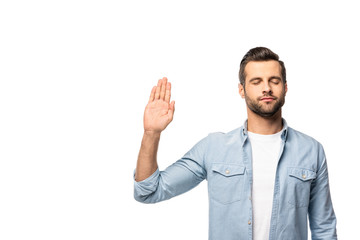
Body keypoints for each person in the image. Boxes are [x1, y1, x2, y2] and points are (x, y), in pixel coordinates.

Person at [133, 47, 337, 240]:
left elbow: (324, 228)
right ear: (242, 90)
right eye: (256, 81)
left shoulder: (311, 150)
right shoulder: (214, 148)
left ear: (285, 87)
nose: (266, 88)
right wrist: (151, 133)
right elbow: (148, 191)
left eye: (273, 80)